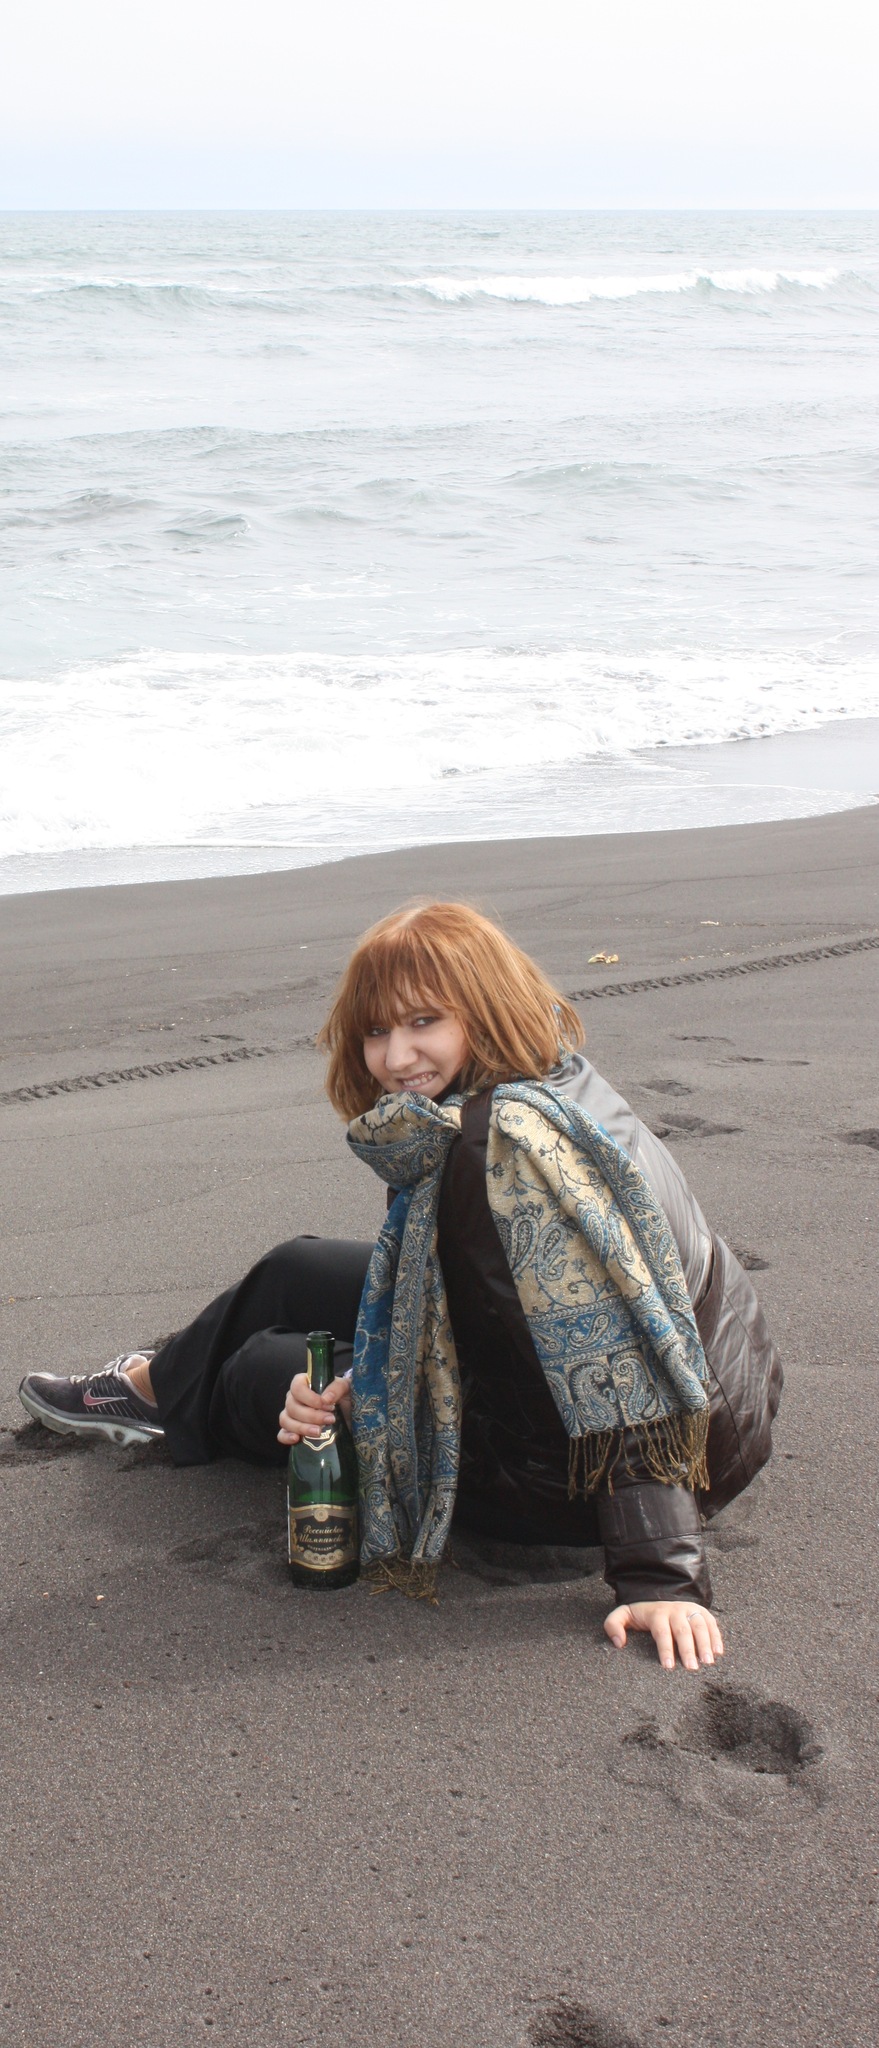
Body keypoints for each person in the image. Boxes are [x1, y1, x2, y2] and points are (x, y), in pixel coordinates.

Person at [19, 901, 781, 1671]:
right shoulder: (544, 1071)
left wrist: (658, 1574)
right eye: (376, 1030)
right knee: (295, 1269)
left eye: (423, 1022)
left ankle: (181, 1402)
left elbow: (610, 1359)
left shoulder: (503, 1151)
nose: (394, 1056)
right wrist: (373, 1373)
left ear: (482, 1007)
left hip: (574, 1479)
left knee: (261, 1372)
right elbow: (506, 1303)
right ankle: (153, 1390)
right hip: (725, 1407)